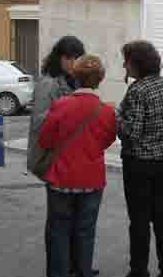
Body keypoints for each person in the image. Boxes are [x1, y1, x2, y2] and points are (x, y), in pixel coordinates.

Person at [38, 55, 116, 277]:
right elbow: (107, 140)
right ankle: (83, 270)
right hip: (91, 180)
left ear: (76, 77)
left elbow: (45, 140)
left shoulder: (61, 105)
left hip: (61, 178)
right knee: (85, 231)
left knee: (58, 231)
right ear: (99, 80)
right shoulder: (107, 111)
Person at [117, 40, 163, 277]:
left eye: (126, 60)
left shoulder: (138, 90)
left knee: (140, 219)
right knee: (162, 215)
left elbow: (131, 132)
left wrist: (117, 119)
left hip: (139, 162)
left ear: (136, 63)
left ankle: (139, 270)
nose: (124, 64)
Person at [28, 36, 88, 277]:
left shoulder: (74, 80)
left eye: (76, 58)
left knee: (76, 220)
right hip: (55, 158)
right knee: (58, 222)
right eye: (69, 58)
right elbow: (40, 123)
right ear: (60, 57)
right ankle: (58, 270)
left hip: (73, 158)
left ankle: (76, 265)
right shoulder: (49, 83)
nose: (73, 63)